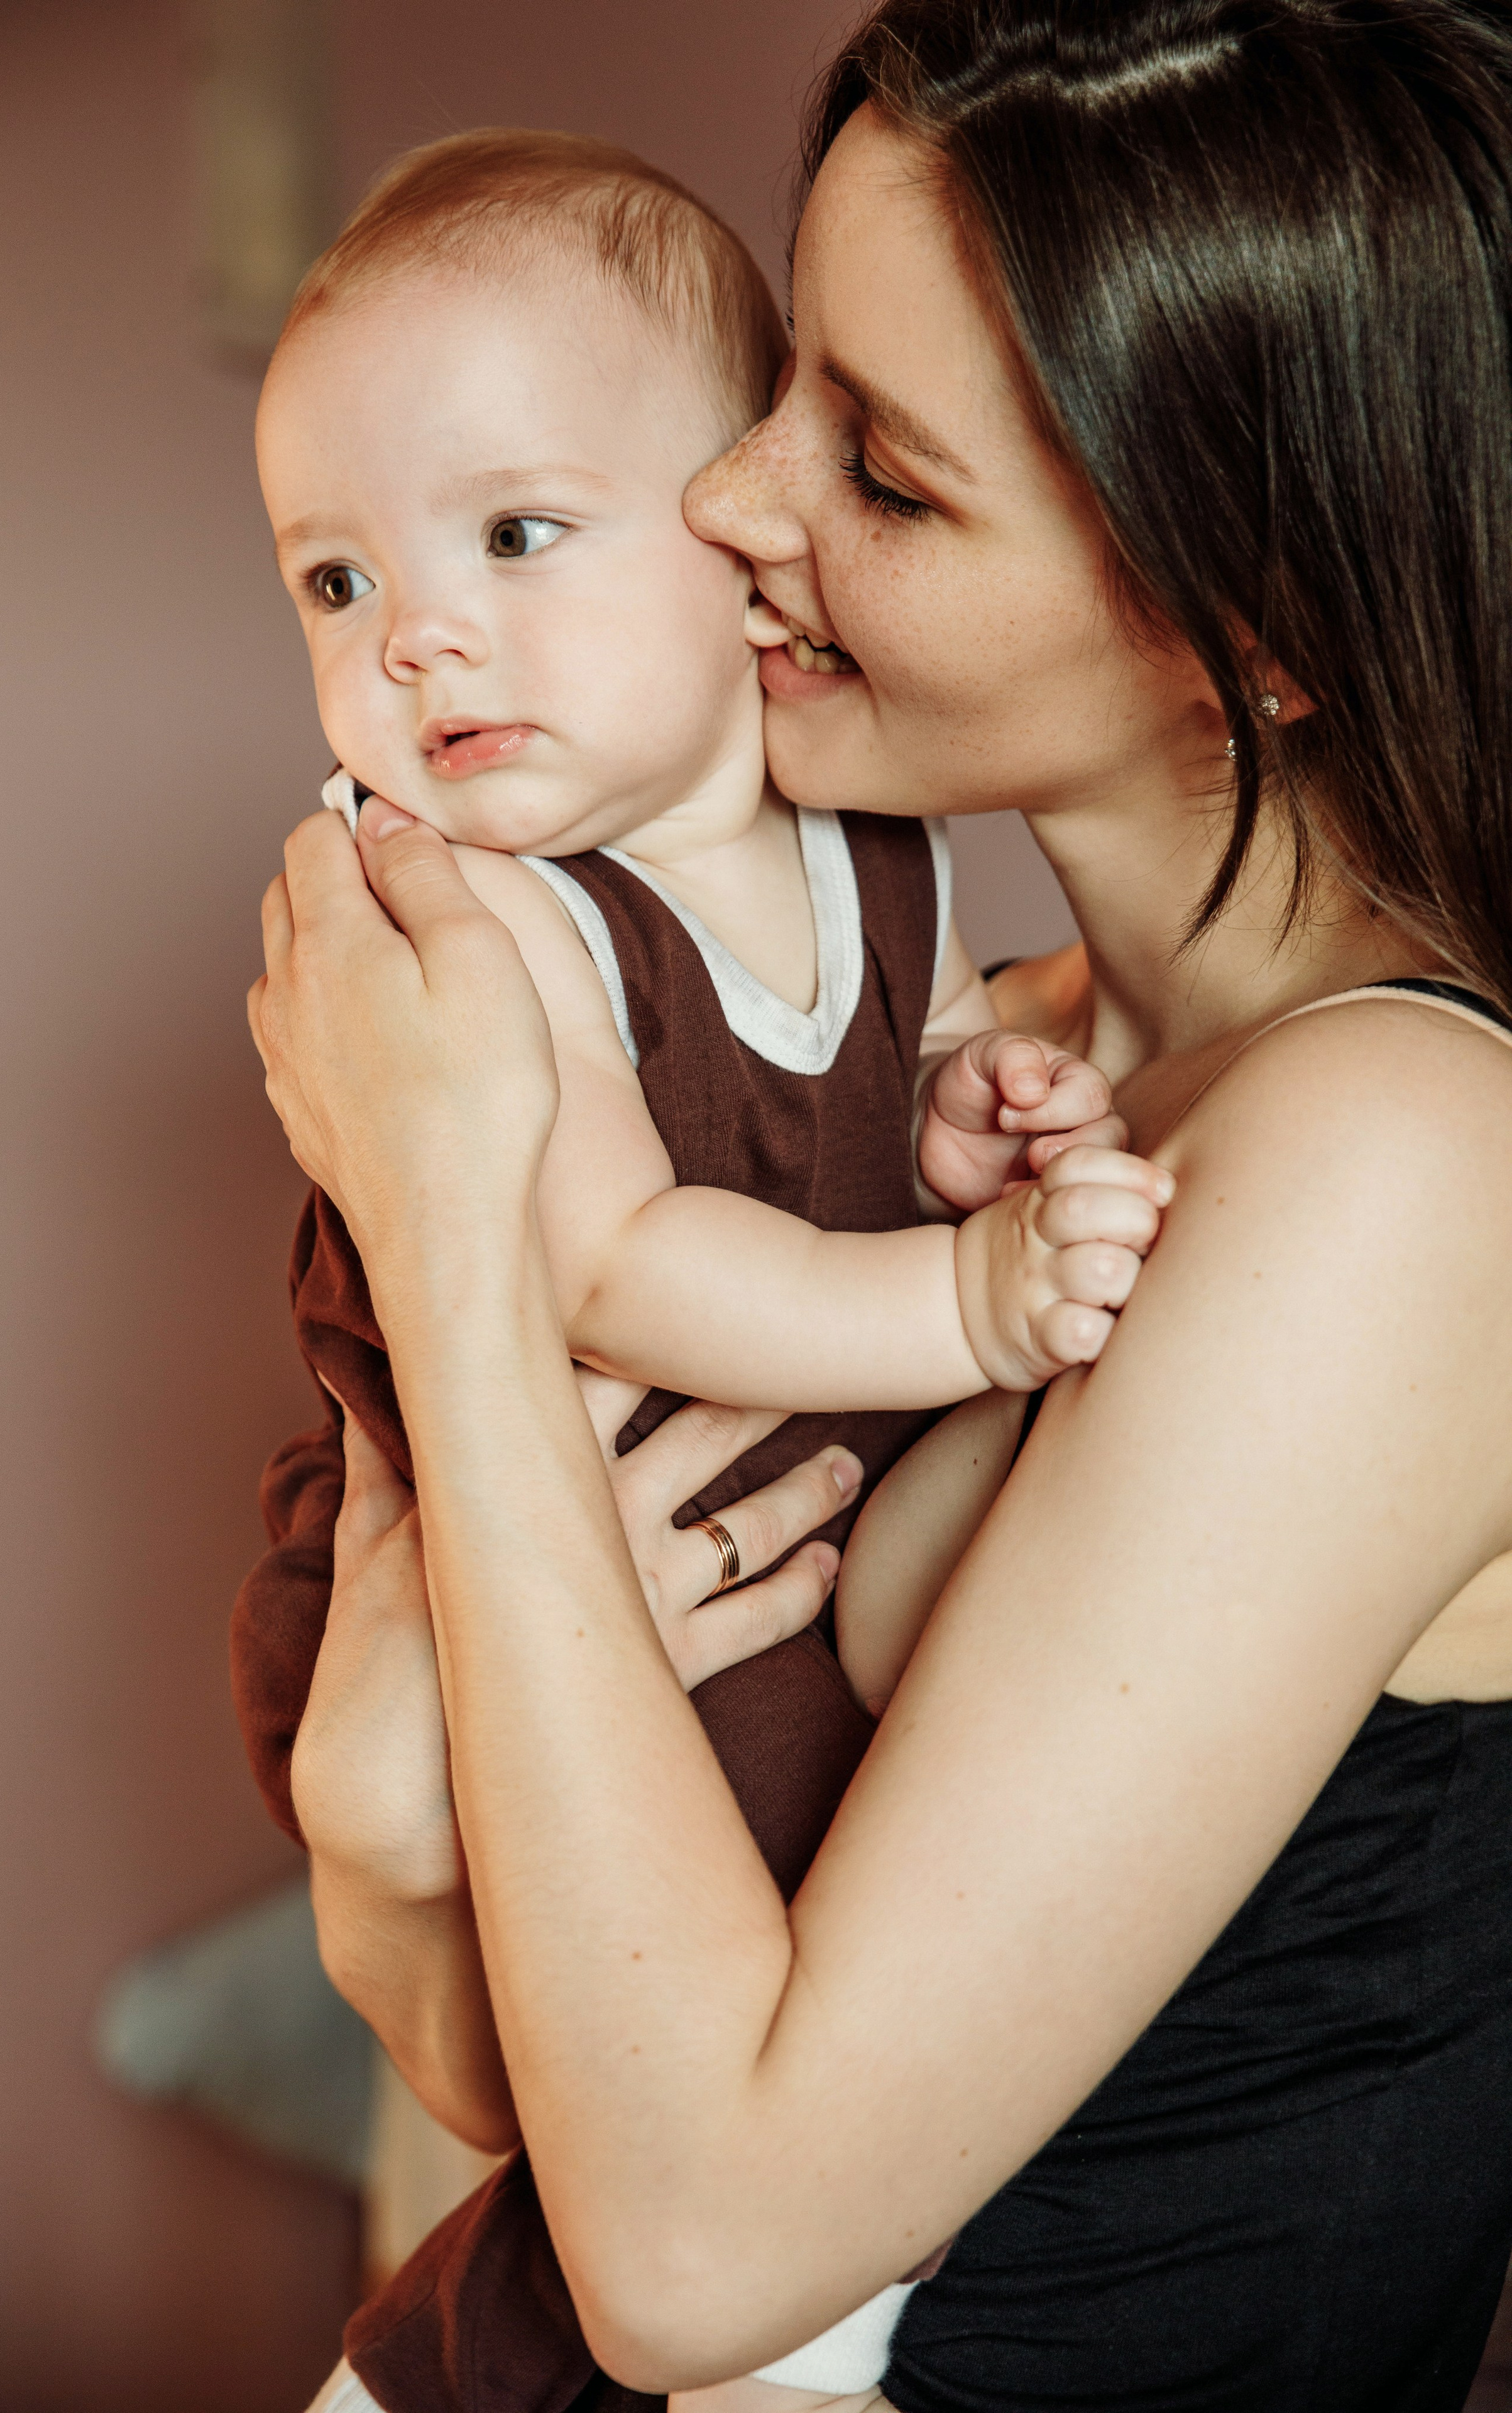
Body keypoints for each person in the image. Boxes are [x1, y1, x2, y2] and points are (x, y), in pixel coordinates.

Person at [249, 3, 1512, 2408]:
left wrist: (451, 1228)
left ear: (1247, 624)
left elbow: (697, 2254)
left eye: (887, 474)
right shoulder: (954, 1074)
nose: (728, 501)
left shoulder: (1406, 1162)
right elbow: (547, 2097)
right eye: (782, 385)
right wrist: (372, 1834)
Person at [239, 125, 1166, 2413]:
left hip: (723, 1518)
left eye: (515, 537)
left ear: (728, 540)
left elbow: (864, 1098)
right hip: (487, 1534)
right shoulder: (495, 917)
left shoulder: (880, 837)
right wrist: (961, 1305)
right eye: (334, 586)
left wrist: (963, 1125)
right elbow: (629, 1262)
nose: (416, 633)